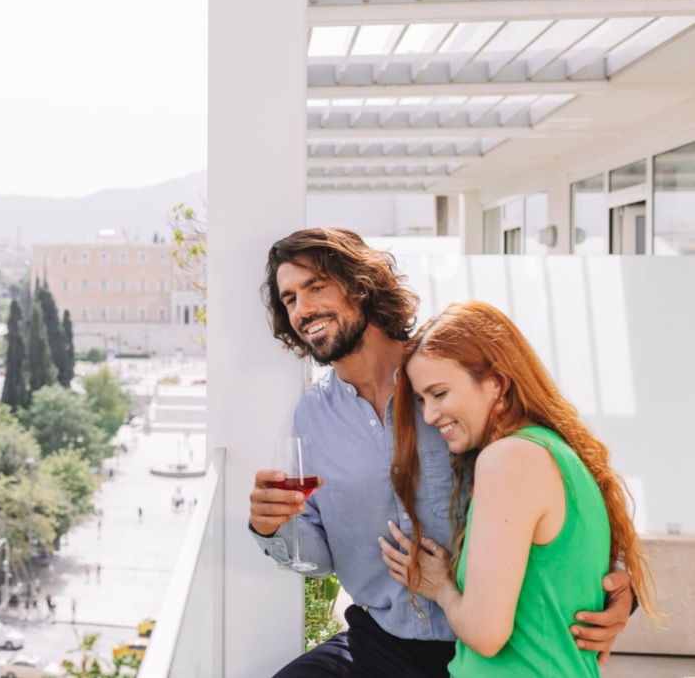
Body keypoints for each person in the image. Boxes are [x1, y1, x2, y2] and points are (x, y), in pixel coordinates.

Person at [247, 228, 635, 678]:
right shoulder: (313, 416)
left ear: (360, 286)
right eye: (289, 298)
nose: (303, 309)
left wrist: (618, 582)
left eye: (316, 287)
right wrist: (272, 525)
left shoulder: (449, 375)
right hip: (383, 641)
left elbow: (563, 476)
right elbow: (319, 559)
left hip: (495, 644)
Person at [380, 301, 656, 676]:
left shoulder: (509, 460)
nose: (429, 415)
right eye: (422, 400)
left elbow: (486, 633)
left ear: (496, 383)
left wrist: (440, 586)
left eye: (440, 394)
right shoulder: (550, 452)